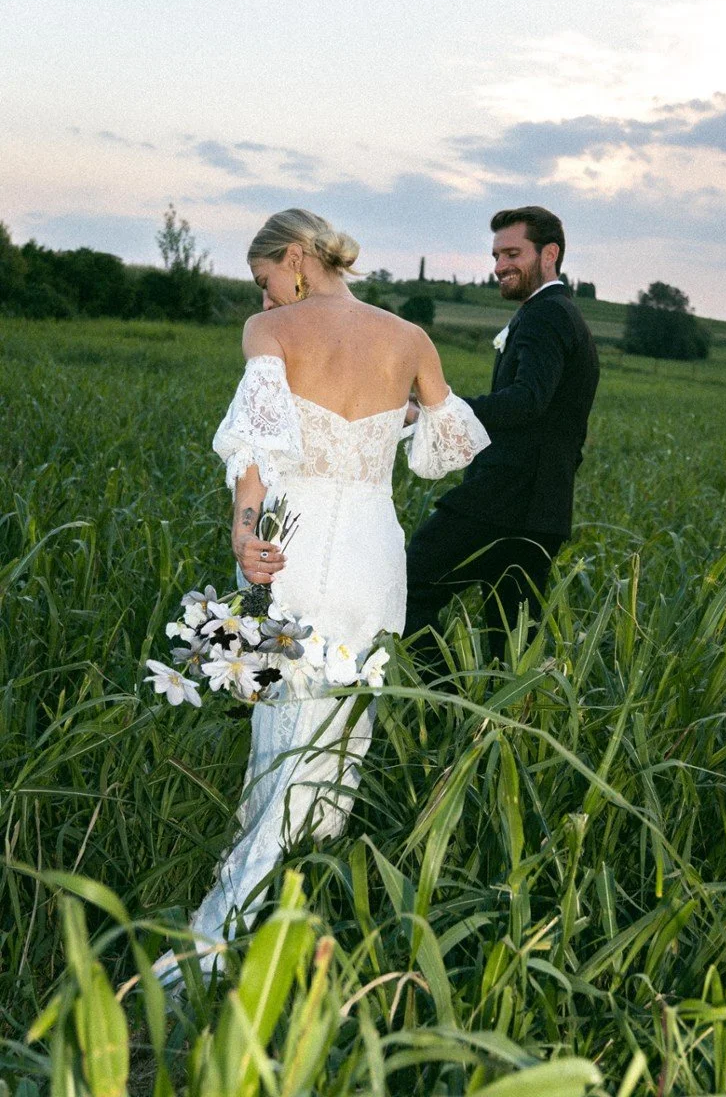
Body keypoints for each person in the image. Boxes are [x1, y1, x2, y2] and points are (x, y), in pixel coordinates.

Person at [154, 208, 488, 983]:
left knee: (282, 724)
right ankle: (296, 900)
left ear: (297, 257)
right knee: (340, 728)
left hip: (288, 547)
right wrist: (392, 419)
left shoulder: (270, 333)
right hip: (373, 551)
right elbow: (450, 447)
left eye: (265, 280)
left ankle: (221, 932)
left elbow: (254, 455)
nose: (265, 298)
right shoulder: (410, 338)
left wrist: (244, 535)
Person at [405, 205, 599, 664]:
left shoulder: (546, 315)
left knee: (409, 585)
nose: (499, 267)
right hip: (539, 509)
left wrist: (436, 410)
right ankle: (486, 725)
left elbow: (528, 400)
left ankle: (441, 701)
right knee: (509, 645)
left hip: (504, 499)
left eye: (512, 253)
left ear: (549, 254)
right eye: (495, 255)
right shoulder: (559, 313)